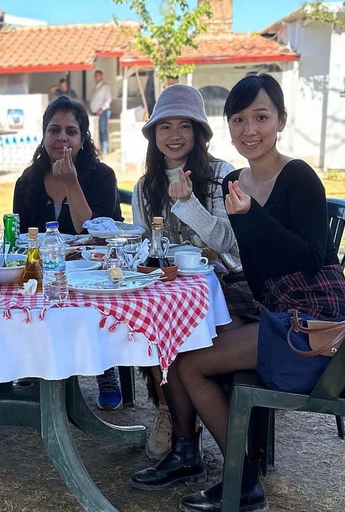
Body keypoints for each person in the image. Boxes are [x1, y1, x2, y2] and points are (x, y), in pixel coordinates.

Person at [170, 74, 345, 512]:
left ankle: (244, 482)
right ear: (229, 126)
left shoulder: (300, 177)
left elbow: (309, 256)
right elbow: (232, 244)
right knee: (184, 343)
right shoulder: (236, 180)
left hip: (314, 323)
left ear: (281, 121)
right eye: (238, 119)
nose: (249, 129)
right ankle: (188, 454)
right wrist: (186, 203)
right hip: (273, 308)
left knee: (191, 364)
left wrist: (253, 217)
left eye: (261, 117)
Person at [129, 84, 257, 463]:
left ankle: (194, 439)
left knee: (180, 343)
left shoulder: (221, 175)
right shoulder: (145, 186)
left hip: (231, 289)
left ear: (198, 133)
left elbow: (227, 243)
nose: (174, 136)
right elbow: (144, 243)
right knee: (152, 331)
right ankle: (173, 419)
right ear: (153, 134)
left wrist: (187, 203)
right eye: (165, 126)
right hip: (173, 290)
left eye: (185, 126)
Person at [12, 95, 123, 409]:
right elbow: (23, 237)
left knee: (94, 301)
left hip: (90, 267)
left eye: (71, 131)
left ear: (82, 138)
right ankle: (34, 364)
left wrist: (72, 184)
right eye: (54, 130)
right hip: (43, 269)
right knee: (22, 293)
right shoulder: (27, 181)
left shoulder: (101, 176)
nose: (61, 137)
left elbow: (95, 234)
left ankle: (105, 367)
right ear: (44, 136)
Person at [88, 70, 112, 154]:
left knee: (103, 129)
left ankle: (105, 148)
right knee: (96, 130)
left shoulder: (105, 87)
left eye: (98, 75)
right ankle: (100, 148)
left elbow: (108, 100)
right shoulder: (96, 87)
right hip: (95, 113)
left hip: (103, 112)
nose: (96, 77)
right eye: (95, 76)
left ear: (101, 76)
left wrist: (101, 109)